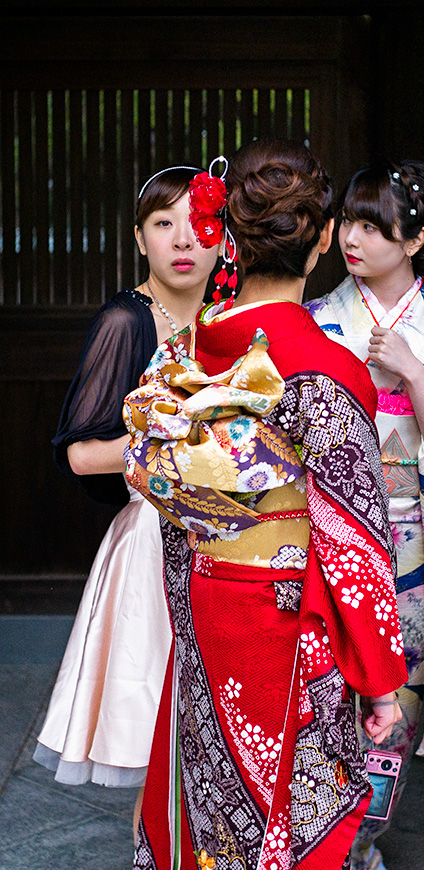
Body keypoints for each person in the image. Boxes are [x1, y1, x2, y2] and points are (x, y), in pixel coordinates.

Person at [124, 138, 409, 870]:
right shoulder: (326, 369)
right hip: (287, 630)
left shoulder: (182, 358)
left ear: (227, 238)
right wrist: (381, 681)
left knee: (212, 815)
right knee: (288, 827)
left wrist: (191, 619)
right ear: (321, 238)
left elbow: (175, 509)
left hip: (209, 610)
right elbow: (353, 544)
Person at [305, 160, 424, 870]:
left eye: (374, 226)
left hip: (411, 538)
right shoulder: (318, 318)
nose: (352, 237)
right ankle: (326, 854)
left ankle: (362, 846)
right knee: (327, 695)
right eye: (348, 220)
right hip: (327, 528)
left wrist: (415, 373)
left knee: (397, 703)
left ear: (416, 237)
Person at [35, 165, 219, 832]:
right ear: (140, 238)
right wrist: (174, 435)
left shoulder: (233, 320)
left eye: (199, 224)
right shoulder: (126, 319)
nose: (182, 239)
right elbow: (83, 451)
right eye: (162, 223)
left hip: (234, 535)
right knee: (161, 731)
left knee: (218, 736)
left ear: (223, 240)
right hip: (153, 537)